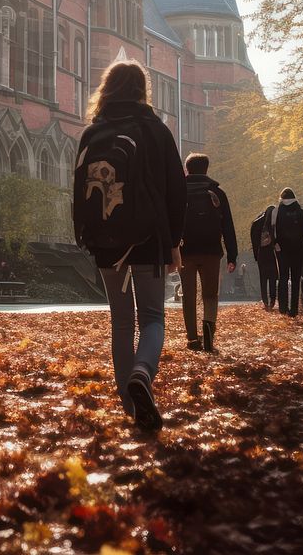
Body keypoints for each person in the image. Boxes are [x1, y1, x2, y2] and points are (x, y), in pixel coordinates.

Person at [73, 60, 186, 432]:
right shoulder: (155, 128)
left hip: (107, 241)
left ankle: (130, 404)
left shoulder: (93, 132)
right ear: (142, 89)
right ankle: (142, 374)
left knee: (121, 322)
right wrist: (174, 242)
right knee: (152, 317)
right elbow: (175, 190)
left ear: (107, 88)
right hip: (149, 238)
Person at [179, 153, 237, 353]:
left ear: (187, 169)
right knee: (210, 294)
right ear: (206, 169)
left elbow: (171, 222)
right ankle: (209, 327)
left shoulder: (179, 192)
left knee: (188, 294)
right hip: (212, 251)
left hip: (185, 251)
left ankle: (192, 338)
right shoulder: (217, 193)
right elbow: (227, 225)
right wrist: (232, 255)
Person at [260, 187, 303, 317]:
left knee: (283, 278)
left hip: (282, 250)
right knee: (296, 279)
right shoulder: (301, 212)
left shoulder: (276, 212)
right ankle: (294, 310)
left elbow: (268, 229)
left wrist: (275, 243)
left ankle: (283, 307)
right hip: (298, 250)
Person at [250, 209, 278, 310]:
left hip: (260, 253)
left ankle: (265, 300)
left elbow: (253, 240)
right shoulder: (274, 221)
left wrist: (255, 255)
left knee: (263, 277)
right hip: (272, 253)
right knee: (273, 277)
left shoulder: (256, 223)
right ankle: (272, 299)